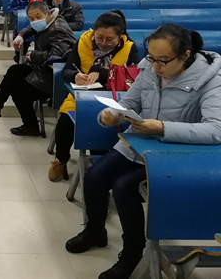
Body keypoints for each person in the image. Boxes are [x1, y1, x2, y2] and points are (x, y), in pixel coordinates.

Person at [65, 24, 221, 279]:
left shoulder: (211, 80)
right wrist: (113, 114)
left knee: (124, 187)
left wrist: (162, 127)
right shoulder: (149, 69)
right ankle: (95, 231)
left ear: (185, 55)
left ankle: (131, 253)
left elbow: (216, 130)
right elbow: (130, 102)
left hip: (176, 155)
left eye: (163, 60)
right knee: (95, 177)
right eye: (151, 57)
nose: (155, 65)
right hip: (139, 144)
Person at [48, 10, 140, 182]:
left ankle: (100, 167)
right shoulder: (83, 42)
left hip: (114, 97)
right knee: (65, 121)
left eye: (110, 40)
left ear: (120, 36)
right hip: (82, 95)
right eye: (99, 38)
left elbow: (133, 76)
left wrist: (103, 74)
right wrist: (75, 76)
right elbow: (67, 70)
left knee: (105, 127)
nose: (103, 43)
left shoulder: (129, 48)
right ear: (94, 32)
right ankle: (61, 159)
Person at [0, 1, 76, 136]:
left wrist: (33, 55)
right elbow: (33, 28)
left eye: (38, 17)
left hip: (55, 76)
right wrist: (21, 36)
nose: (35, 21)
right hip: (44, 70)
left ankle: (31, 127)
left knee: (18, 92)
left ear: (48, 13)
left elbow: (57, 55)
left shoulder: (58, 29)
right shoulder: (48, 21)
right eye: (31, 18)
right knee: (15, 70)